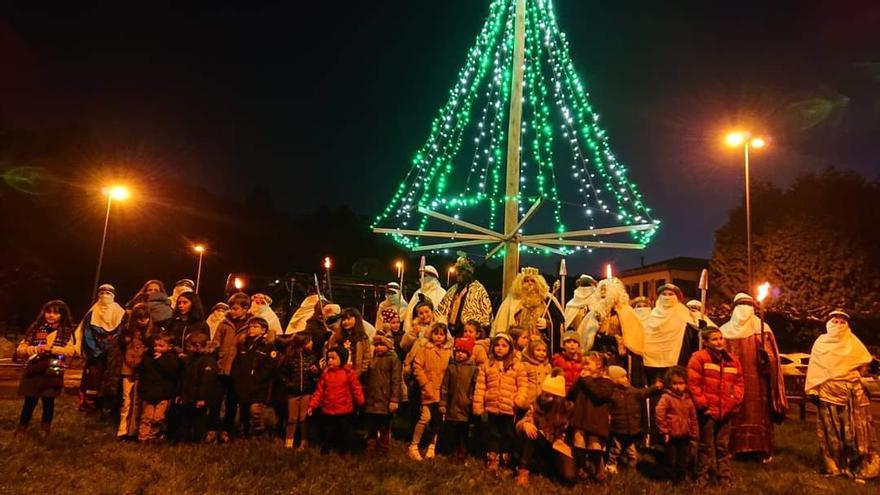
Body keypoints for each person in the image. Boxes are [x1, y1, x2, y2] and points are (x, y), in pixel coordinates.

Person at [805, 309, 879, 481]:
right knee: (832, 432)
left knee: (855, 433)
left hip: (851, 395)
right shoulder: (821, 343)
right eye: (835, 321)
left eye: (842, 321)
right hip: (827, 395)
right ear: (828, 323)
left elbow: (864, 365)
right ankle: (835, 466)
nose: (838, 324)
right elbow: (815, 367)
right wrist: (813, 390)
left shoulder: (853, 343)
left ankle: (859, 468)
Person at [720, 293, 787, 461]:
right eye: (740, 306)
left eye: (748, 306)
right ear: (733, 308)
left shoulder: (762, 330)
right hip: (732, 380)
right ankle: (733, 447)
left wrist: (766, 358)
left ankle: (760, 448)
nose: (744, 310)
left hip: (757, 381)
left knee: (757, 413)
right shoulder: (724, 331)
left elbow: (773, 360)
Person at [687, 326, 744, 488]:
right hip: (708, 410)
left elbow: (739, 382)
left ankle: (724, 477)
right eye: (714, 339)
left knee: (723, 445)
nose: (719, 342)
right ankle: (702, 476)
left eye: (720, 338)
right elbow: (693, 383)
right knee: (705, 446)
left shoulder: (732, 360)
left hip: (726, 409)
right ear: (705, 342)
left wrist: (735, 399)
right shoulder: (699, 358)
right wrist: (703, 404)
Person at [14, 300, 76, 438]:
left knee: (48, 401)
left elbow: (71, 351)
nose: (51, 315)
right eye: (48, 312)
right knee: (30, 401)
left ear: (62, 315)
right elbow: (21, 349)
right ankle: (22, 428)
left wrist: (52, 349)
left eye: (55, 313)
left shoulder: (67, 332)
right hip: (34, 369)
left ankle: (45, 430)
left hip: (52, 371)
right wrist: (35, 349)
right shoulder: (35, 329)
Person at [473, 333, 528, 475]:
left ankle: (506, 459)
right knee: (493, 434)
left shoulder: (517, 366)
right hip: (492, 407)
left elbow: (522, 385)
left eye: (504, 346)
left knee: (508, 434)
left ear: (510, 348)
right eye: (497, 345)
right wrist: (478, 405)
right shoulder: (487, 365)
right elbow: (480, 386)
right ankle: (493, 458)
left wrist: (519, 400)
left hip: (509, 407)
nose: (500, 348)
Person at [515, 370, 576, 486]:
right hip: (544, 443)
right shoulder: (538, 404)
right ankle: (523, 471)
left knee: (570, 477)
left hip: (560, 447)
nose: (543, 397)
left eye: (548, 395)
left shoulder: (568, 409)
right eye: (544, 393)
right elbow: (519, 425)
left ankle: (546, 467)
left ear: (557, 398)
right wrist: (525, 424)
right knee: (530, 431)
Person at [586, 278, 647, 387]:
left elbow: (633, 335)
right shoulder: (595, 313)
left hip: (619, 356)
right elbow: (589, 336)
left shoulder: (626, 312)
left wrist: (618, 340)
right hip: (600, 355)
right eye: (602, 296)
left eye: (607, 296)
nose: (604, 299)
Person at [75, 284, 125, 411]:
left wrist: (111, 348)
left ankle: (106, 405)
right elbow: (87, 333)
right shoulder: (92, 313)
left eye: (108, 293)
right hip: (95, 354)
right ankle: (89, 405)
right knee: (92, 379)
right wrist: (96, 351)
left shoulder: (120, 313)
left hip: (112, 354)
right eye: (102, 293)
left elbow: (120, 332)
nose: (105, 295)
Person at [606, 365, 663, 474]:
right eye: (622, 377)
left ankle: (632, 465)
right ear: (614, 379)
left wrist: (656, 387)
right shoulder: (612, 394)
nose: (626, 379)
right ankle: (611, 464)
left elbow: (645, 392)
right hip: (618, 429)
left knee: (631, 449)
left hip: (631, 429)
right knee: (616, 449)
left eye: (626, 376)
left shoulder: (633, 392)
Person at [567, 352, 615, 482]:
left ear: (599, 365)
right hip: (580, 417)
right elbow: (571, 394)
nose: (585, 366)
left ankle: (597, 473)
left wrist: (586, 379)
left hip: (596, 420)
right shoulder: (583, 379)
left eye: (588, 363)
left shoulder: (606, 381)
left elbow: (598, 395)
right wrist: (579, 380)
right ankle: (582, 469)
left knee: (594, 445)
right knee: (579, 441)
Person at [308, 346, 365, 455]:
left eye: (333, 358)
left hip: (344, 409)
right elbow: (319, 391)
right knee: (328, 431)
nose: (329, 361)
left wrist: (360, 401)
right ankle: (327, 448)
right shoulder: (326, 374)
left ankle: (342, 450)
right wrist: (312, 405)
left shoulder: (348, 373)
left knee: (343, 431)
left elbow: (356, 388)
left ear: (342, 359)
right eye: (328, 358)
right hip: (328, 409)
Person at [409, 322, 453, 461]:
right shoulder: (425, 348)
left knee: (438, 420)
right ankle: (414, 445)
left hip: (442, 390)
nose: (439, 337)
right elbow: (417, 367)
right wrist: (425, 384)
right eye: (436, 334)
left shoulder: (449, 351)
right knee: (425, 418)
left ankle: (432, 445)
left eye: (441, 334)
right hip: (428, 389)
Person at [492, 267, 565, 351]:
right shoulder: (512, 300)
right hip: (518, 345)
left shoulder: (547, 299)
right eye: (526, 281)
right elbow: (503, 323)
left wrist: (547, 324)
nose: (530, 283)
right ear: (519, 283)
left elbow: (560, 322)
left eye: (533, 281)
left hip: (540, 345)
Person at [211, 292, 251, 442]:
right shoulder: (224, 324)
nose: (232, 311)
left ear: (245, 308)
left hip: (237, 369)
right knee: (216, 400)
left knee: (232, 402)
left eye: (235, 308)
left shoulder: (250, 326)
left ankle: (227, 429)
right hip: (222, 367)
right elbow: (216, 342)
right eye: (231, 308)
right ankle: (212, 428)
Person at [231, 316, 278, 437]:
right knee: (244, 410)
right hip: (243, 384)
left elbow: (270, 367)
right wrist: (236, 378)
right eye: (250, 327)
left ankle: (258, 433)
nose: (251, 329)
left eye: (255, 327)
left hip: (259, 386)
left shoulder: (267, 347)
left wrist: (257, 378)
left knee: (255, 411)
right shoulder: (244, 345)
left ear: (263, 330)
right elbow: (237, 363)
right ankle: (244, 433)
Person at [642, 284, 699, 384]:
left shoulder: (685, 313)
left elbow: (695, 336)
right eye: (664, 294)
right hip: (654, 363)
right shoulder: (651, 315)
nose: (667, 297)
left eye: (670, 294)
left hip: (679, 358)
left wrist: (699, 328)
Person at [656, 366, 699, 483]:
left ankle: (681, 478)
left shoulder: (688, 399)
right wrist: (664, 430)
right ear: (669, 383)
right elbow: (659, 413)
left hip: (685, 435)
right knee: (670, 458)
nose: (678, 386)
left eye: (681, 383)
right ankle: (668, 478)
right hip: (671, 434)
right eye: (674, 383)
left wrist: (694, 435)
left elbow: (693, 418)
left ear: (686, 384)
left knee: (683, 458)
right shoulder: (667, 397)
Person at [177, 332, 222, 443]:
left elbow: (207, 382)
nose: (187, 349)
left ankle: (198, 439)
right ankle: (185, 439)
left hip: (198, 398)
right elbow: (185, 378)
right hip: (188, 396)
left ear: (197, 346)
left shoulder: (208, 361)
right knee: (186, 419)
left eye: (189, 346)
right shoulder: (191, 360)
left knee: (199, 420)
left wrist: (203, 398)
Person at [114, 303, 149, 440]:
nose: (143, 321)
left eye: (146, 317)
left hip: (142, 369)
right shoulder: (127, 332)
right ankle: (122, 430)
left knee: (137, 400)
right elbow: (122, 347)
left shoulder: (150, 333)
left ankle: (133, 430)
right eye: (140, 318)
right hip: (128, 368)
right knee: (126, 399)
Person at [278, 332, 320, 450]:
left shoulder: (312, 356)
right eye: (309, 341)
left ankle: (303, 440)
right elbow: (283, 374)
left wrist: (315, 371)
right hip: (293, 391)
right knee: (292, 417)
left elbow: (316, 373)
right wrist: (289, 384)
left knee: (303, 418)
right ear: (303, 343)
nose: (312, 343)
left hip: (306, 391)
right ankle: (289, 440)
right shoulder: (290, 357)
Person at [138, 332, 181, 443]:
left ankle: (154, 435)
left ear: (169, 347)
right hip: (149, 393)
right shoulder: (148, 357)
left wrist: (160, 360)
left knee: (158, 417)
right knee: (146, 416)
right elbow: (143, 373)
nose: (157, 348)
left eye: (161, 346)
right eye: (155, 345)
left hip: (163, 393)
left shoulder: (171, 358)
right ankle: (143, 436)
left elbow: (172, 371)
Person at [439, 337, 478, 459]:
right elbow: (444, 386)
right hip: (452, 404)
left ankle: (463, 451)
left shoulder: (473, 369)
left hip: (465, 405)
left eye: (463, 352)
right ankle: (451, 450)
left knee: (463, 430)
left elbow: (475, 386)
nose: (460, 354)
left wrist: (471, 399)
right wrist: (443, 403)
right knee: (452, 430)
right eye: (458, 351)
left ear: (469, 353)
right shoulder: (451, 368)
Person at [363, 333, 402, 455]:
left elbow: (396, 381)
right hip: (372, 398)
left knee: (384, 425)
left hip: (385, 399)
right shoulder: (373, 358)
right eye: (376, 345)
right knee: (372, 425)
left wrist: (394, 399)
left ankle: (383, 448)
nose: (378, 347)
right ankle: (371, 445)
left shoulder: (393, 359)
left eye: (381, 344)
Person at [437, 255, 492, 337]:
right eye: (457, 270)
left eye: (462, 270)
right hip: (449, 333)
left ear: (470, 272)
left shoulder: (479, 290)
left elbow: (486, 316)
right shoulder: (452, 290)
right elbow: (441, 311)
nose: (458, 273)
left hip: (468, 334)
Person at [325, 308, 373, 379]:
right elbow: (328, 351)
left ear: (356, 319)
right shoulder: (336, 336)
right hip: (338, 373)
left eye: (349, 319)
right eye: (343, 320)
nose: (345, 322)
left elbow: (367, 356)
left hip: (355, 374)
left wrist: (360, 371)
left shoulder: (362, 337)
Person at [402, 265, 447, 335]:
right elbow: (409, 314)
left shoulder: (441, 292)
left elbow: (442, 314)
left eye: (425, 276)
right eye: (420, 276)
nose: (422, 278)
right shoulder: (417, 293)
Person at [521, 339, 551, 408]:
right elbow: (522, 383)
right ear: (531, 351)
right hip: (529, 400)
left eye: (544, 351)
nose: (541, 353)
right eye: (538, 350)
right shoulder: (526, 365)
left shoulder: (547, 366)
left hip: (544, 402)